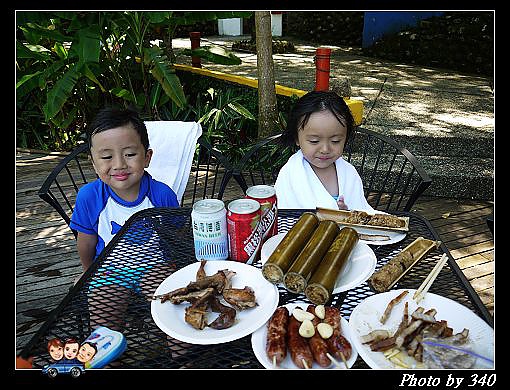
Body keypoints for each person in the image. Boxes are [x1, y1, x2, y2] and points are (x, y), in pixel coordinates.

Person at [69, 107, 180, 330]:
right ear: (94, 163)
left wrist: (174, 267)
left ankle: (184, 360)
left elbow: (175, 234)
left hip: (155, 265)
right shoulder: (90, 197)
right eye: (107, 157)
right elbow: (86, 241)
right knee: (103, 327)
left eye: (129, 154)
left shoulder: (162, 194)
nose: (119, 164)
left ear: (147, 157)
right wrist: (87, 271)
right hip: (109, 269)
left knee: (174, 312)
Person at [274, 91, 375, 212]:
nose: (325, 149)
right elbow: (283, 216)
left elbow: (360, 212)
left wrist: (346, 213)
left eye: (335, 141)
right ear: (297, 138)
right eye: (314, 141)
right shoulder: (290, 174)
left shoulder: (349, 173)